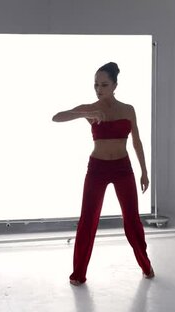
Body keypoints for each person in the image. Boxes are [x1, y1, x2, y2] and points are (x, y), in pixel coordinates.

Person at [52, 62, 154, 286]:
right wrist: (87, 113)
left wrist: (144, 172)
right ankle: (78, 274)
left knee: (132, 220)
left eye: (104, 84)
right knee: (88, 220)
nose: (99, 89)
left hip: (122, 168)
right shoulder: (90, 108)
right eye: (96, 85)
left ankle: (146, 266)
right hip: (97, 168)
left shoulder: (128, 109)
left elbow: (136, 142)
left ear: (115, 85)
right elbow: (56, 117)